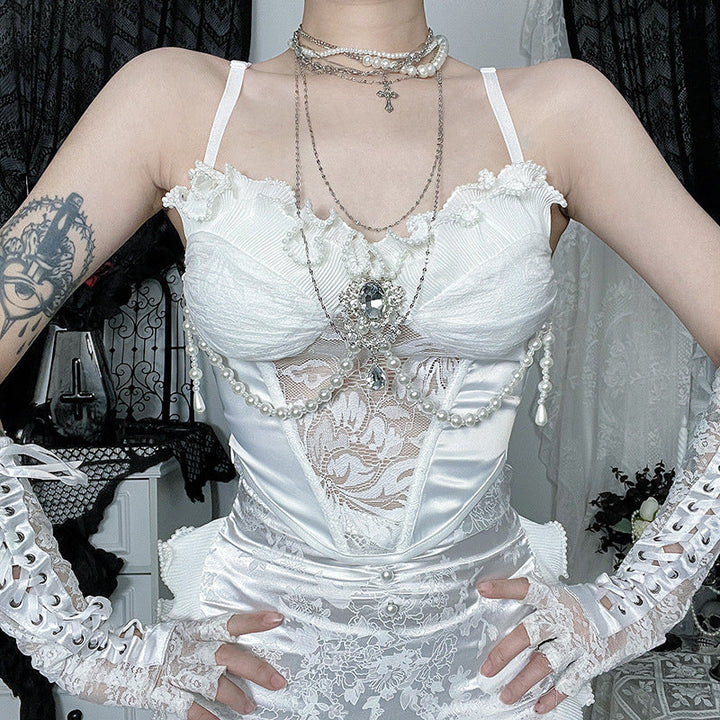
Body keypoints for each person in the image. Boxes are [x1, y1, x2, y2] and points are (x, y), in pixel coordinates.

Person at [0, 1, 719, 719]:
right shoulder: (169, 102)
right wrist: (77, 643)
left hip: (498, 679)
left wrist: (636, 602)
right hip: (254, 682)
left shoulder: (563, 112)